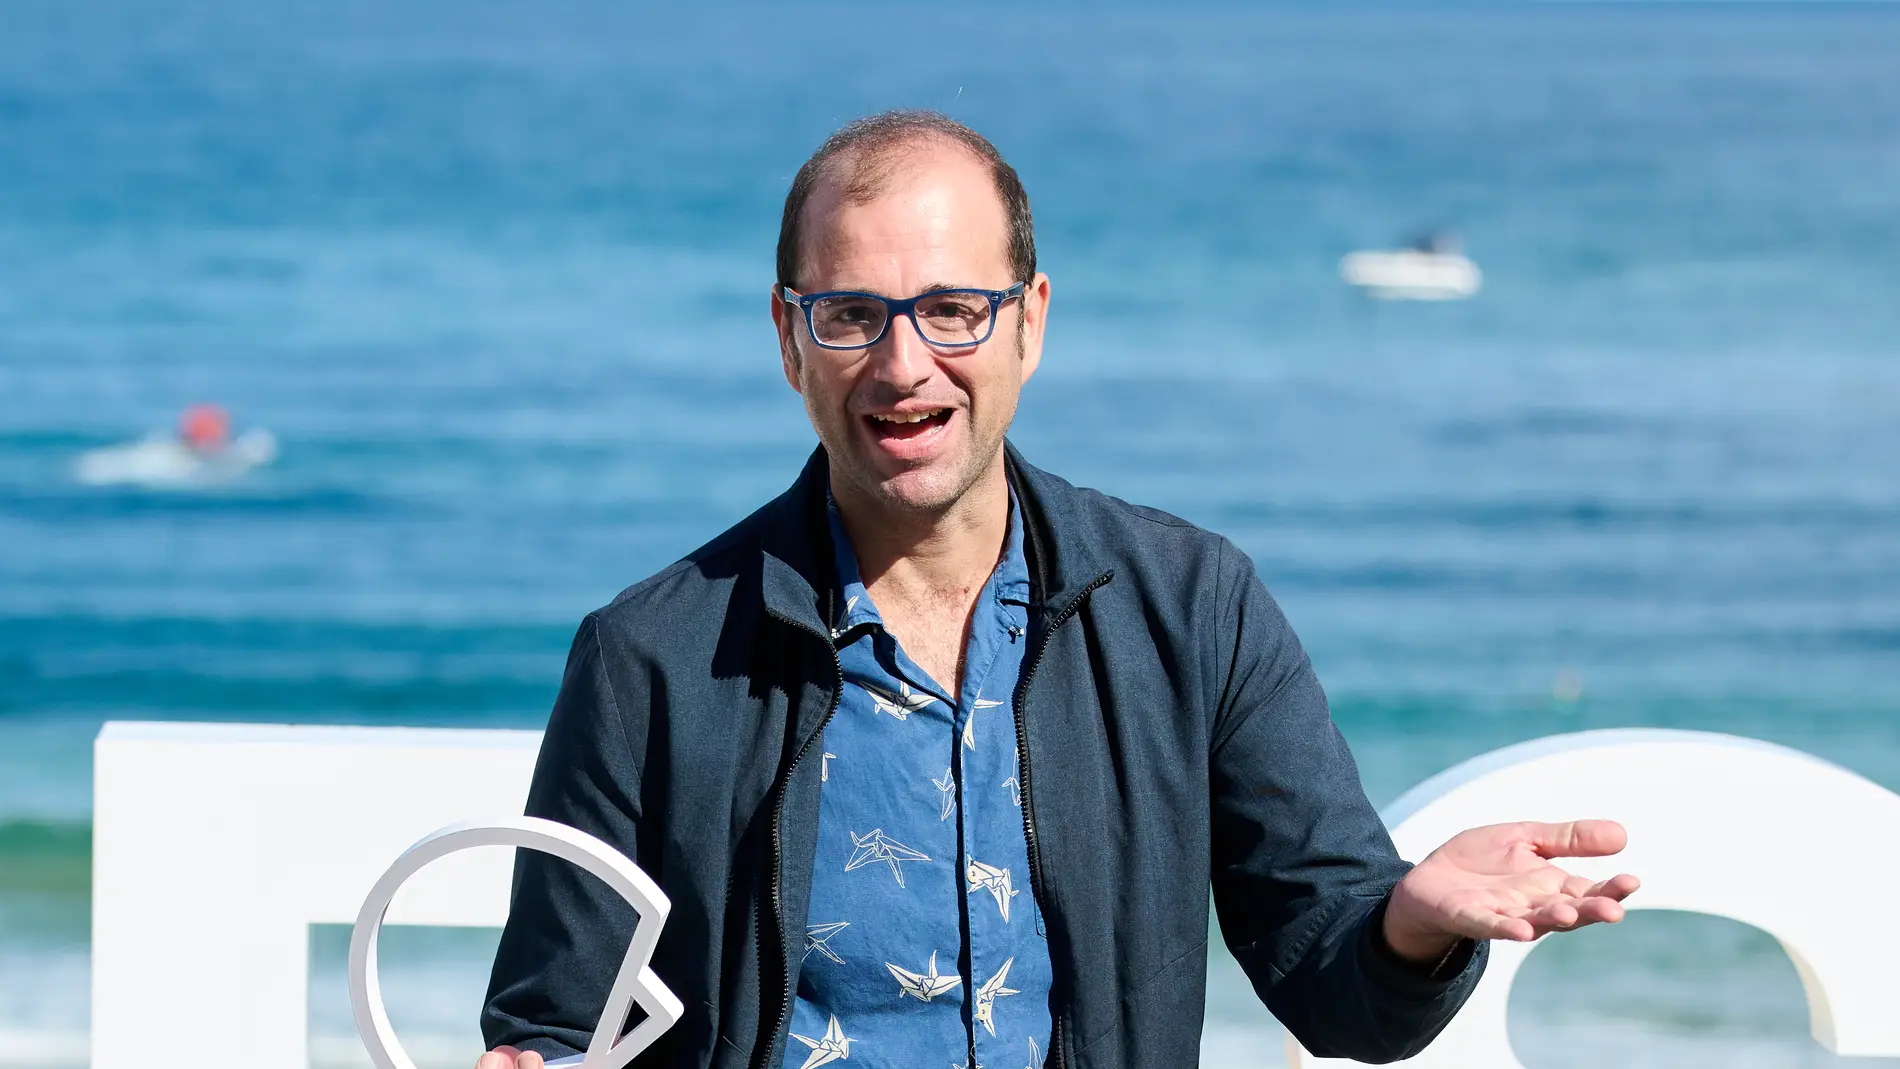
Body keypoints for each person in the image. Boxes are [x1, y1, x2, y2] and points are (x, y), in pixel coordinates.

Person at [477, 112, 1638, 1069]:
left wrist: (1411, 924)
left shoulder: (1191, 609)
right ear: (790, 340)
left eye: (951, 310)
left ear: (1028, 322)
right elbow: (554, 1021)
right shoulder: (649, 659)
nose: (902, 363)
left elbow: (1340, 987)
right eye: (850, 317)